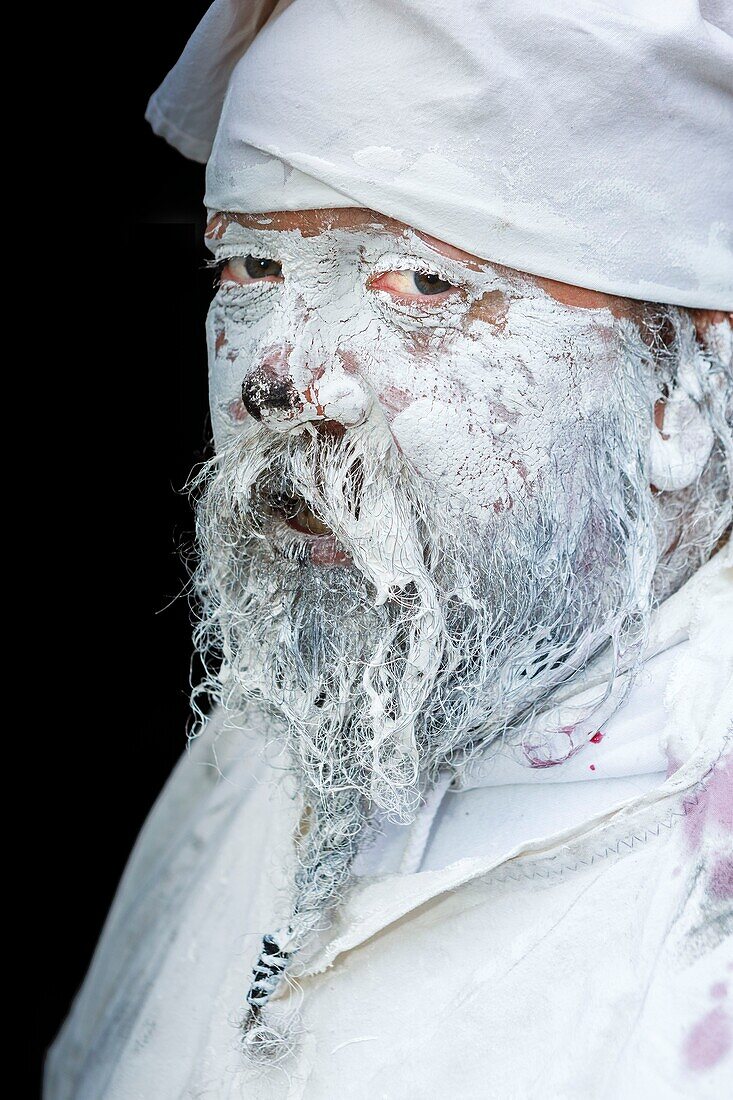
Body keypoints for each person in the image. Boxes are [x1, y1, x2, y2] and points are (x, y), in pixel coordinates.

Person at [47, 2, 732, 1097]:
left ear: (677, 393)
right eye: (246, 278)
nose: (278, 379)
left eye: (416, 287)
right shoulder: (267, 737)